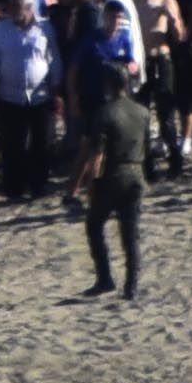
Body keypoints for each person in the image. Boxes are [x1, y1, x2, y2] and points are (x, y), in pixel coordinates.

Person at [70, 59, 154, 296]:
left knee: (95, 224)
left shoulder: (104, 113)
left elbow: (97, 153)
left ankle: (105, 277)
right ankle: (132, 284)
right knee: (130, 232)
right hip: (136, 173)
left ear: (108, 84)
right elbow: (147, 148)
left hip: (112, 175)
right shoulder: (142, 112)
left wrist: (91, 184)